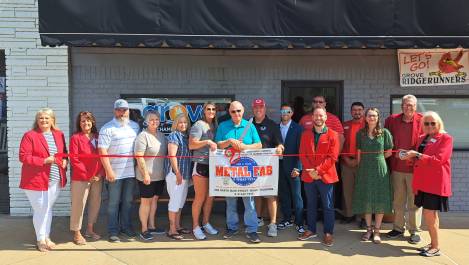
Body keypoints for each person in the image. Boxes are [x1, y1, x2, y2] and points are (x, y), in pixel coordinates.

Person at [400, 111, 453, 257]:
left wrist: (416, 155)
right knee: (427, 215)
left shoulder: (446, 138)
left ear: (439, 123)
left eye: (432, 123)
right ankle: (432, 243)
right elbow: (419, 159)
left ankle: (436, 247)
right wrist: (408, 157)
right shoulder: (422, 138)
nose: (429, 126)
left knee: (430, 215)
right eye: (426, 123)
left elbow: (438, 160)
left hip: (434, 183)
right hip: (422, 182)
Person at [19, 108, 68, 252]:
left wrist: (65, 161)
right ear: (37, 120)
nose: (44, 121)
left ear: (53, 120)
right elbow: (23, 156)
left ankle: (46, 236)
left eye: (47, 118)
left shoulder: (59, 135)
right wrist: (45, 160)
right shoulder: (30, 135)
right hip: (36, 179)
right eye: (41, 118)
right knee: (41, 209)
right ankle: (40, 239)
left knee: (47, 208)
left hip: (54, 178)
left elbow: (63, 152)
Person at [215, 101, 263, 243]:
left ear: (243, 111)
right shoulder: (223, 126)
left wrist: (245, 147)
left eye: (238, 111)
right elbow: (217, 144)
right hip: (229, 171)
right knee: (230, 202)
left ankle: (252, 230)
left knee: (249, 202)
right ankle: (232, 227)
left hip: (246, 171)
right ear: (229, 112)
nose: (236, 114)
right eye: (233, 111)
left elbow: (259, 145)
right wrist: (229, 141)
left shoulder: (250, 126)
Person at [98, 99, 140, 243]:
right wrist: (109, 171)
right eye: (119, 110)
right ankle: (113, 231)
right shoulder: (107, 128)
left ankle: (126, 227)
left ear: (128, 111)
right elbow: (102, 152)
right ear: (114, 111)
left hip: (130, 173)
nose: (122, 113)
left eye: (124, 110)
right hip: (114, 173)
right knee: (113, 204)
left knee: (128, 202)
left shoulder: (135, 127)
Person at [298, 107, 340, 247]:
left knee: (328, 206)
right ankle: (311, 230)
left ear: (326, 117)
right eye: (316, 115)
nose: (318, 118)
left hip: (326, 176)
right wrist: (311, 171)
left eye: (321, 115)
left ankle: (328, 233)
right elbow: (302, 154)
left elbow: (332, 157)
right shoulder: (305, 134)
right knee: (310, 204)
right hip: (309, 176)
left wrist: (318, 171)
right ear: (312, 117)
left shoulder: (333, 134)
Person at [384, 94, 423, 244]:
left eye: (411, 105)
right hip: (397, 168)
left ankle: (414, 231)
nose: (408, 107)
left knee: (414, 202)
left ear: (416, 106)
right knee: (398, 200)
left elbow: (427, 142)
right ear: (401, 106)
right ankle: (398, 228)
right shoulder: (392, 120)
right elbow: (386, 140)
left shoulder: (422, 120)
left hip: (415, 169)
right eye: (405, 105)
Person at [352, 108, 393, 244]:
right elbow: (358, 153)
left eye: (374, 116)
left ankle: (377, 231)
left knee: (380, 199)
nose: (372, 118)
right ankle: (368, 229)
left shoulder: (385, 133)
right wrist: (360, 167)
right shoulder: (360, 133)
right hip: (364, 168)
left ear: (378, 117)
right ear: (365, 117)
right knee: (367, 198)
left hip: (380, 168)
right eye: (369, 115)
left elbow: (389, 152)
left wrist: (378, 158)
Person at [251, 98, 284, 237]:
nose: (258, 110)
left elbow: (280, 144)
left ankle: (272, 223)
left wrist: (279, 149)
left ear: (265, 109)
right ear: (253, 109)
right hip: (252, 167)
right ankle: (258, 218)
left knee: (270, 195)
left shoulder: (272, 125)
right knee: (256, 194)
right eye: (256, 107)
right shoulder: (248, 124)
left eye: (261, 107)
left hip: (268, 167)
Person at [69, 111, 104, 245]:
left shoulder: (98, 136)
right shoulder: (75, 138)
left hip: (97, 178)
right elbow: (75, 159)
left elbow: (103, 156)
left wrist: (100, 174)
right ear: (79, 123)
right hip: (81, 178)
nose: (86, 123)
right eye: (83, 121)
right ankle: (77, 233)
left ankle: (90, 229)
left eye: (88, 120)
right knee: (79, 205)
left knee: (95, 203)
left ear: (92, 122)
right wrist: (87, 175)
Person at [134, 110, 167, 241]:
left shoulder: (162, 136)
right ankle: (144, 229)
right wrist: (145, 174)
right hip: (146, 177)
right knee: (146, 202)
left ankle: (152, 226)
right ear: (147, 121)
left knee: (154, 201)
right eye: (152, 119)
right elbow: (139, 156)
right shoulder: (143, 136)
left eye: (157, 119)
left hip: (159, 176)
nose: (154, 121)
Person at [189, 102, 219, 240]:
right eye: (208, 109)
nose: (211, 111)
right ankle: (196, 226)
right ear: (204, 111)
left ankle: (206, 223)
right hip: (200, 164)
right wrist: (207, 142)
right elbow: (192, 144)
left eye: (213, 109)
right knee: (200, 197)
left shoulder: (215, 125)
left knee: (210, 197)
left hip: (213, 165)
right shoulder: (198, 125)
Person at [277, 103, 305, 234]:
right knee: (284, 194)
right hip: (279, 166)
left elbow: (301, 150)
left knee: (297, 195)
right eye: (283, 111)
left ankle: (299, 222)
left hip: (293, 166)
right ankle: (286, 219)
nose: (285, 114)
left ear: (292, 113)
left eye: (288, 111)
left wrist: (298, 168)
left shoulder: (298, 129)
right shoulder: (276, 128)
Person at [165, 113, 192, 240]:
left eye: (185, 122)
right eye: (180, 122)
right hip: (176, 174)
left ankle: (178, 225)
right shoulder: (174, 135)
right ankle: (172, 229)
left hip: (185, 174)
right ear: (176, 123)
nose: (183, 125)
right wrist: (177, 173)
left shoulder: (185, 137)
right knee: (174, 202)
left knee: (180, 202)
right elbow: (172, 155)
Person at [340, 102, 365, 224]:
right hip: (346, 162)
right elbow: (340, 145)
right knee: (347, 190)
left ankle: (363, 217)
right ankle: (349, 214)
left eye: (359, 110)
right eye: (354, 110)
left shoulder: (368, 125)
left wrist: (357, 160)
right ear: (351, 112)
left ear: (363, 111)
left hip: (363, 163)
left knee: (362, 190)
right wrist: (346, 159)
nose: (357, 112)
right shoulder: (345, 125)